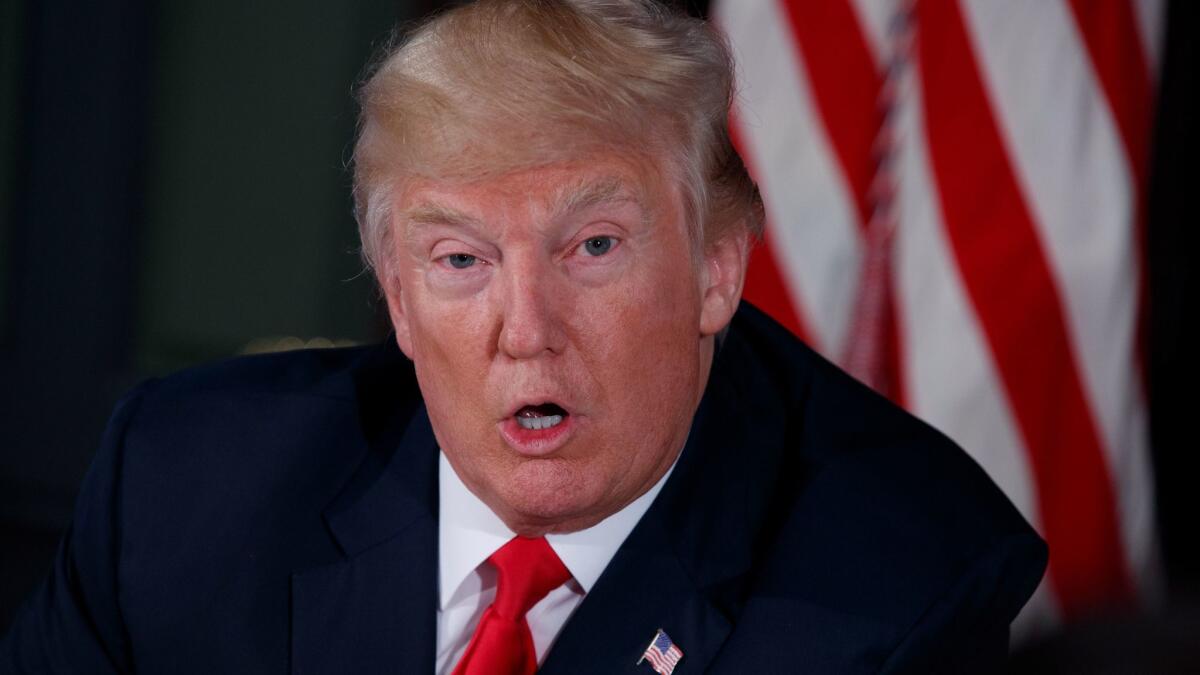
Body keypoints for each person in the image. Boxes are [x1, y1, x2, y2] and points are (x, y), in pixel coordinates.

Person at [0, 1, 1046, 672]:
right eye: (460, 261)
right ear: (399, 301)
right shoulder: (183, 491)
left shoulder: (902, 591)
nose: (526, 331)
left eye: (592, 246)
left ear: (716, 270)